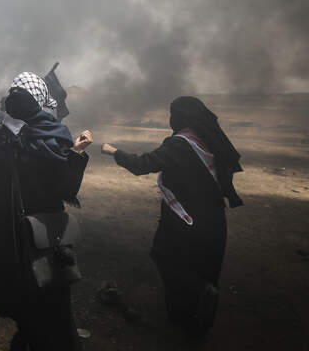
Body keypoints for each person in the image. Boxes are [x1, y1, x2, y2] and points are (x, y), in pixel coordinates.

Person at [0, 72, 93, 351]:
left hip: (6, 231)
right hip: (44, 231)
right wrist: (77, 154)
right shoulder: (54, 132)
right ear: (41, 98)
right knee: (50, 297)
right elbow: (66, 190)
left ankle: (27, 337)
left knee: (19, 292)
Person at [101, 96, 243, 335]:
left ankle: (191, 306)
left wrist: (114, 151)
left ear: (180, 116)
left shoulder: (180, 144)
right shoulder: (207, 138)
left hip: (185, 218)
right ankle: (199, 312)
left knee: (168, 257)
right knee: (203, 264)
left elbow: (142, 164)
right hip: (213, 217)